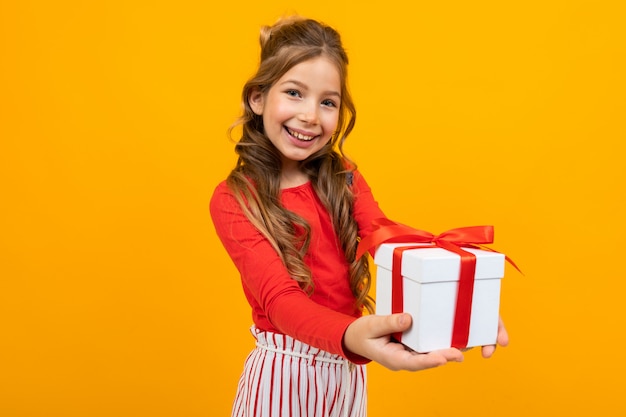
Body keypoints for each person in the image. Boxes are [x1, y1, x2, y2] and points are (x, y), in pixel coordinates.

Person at [210, 16, 508, 417]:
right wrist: (352, 334)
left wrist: (462, 301)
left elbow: (387, 240)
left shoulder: (344, 176)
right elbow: (281, 302)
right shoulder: (235, 198)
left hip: (349, 375)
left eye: (327, 101)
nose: (311, 116)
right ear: (258, 98)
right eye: (294, 93)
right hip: (284, 374)